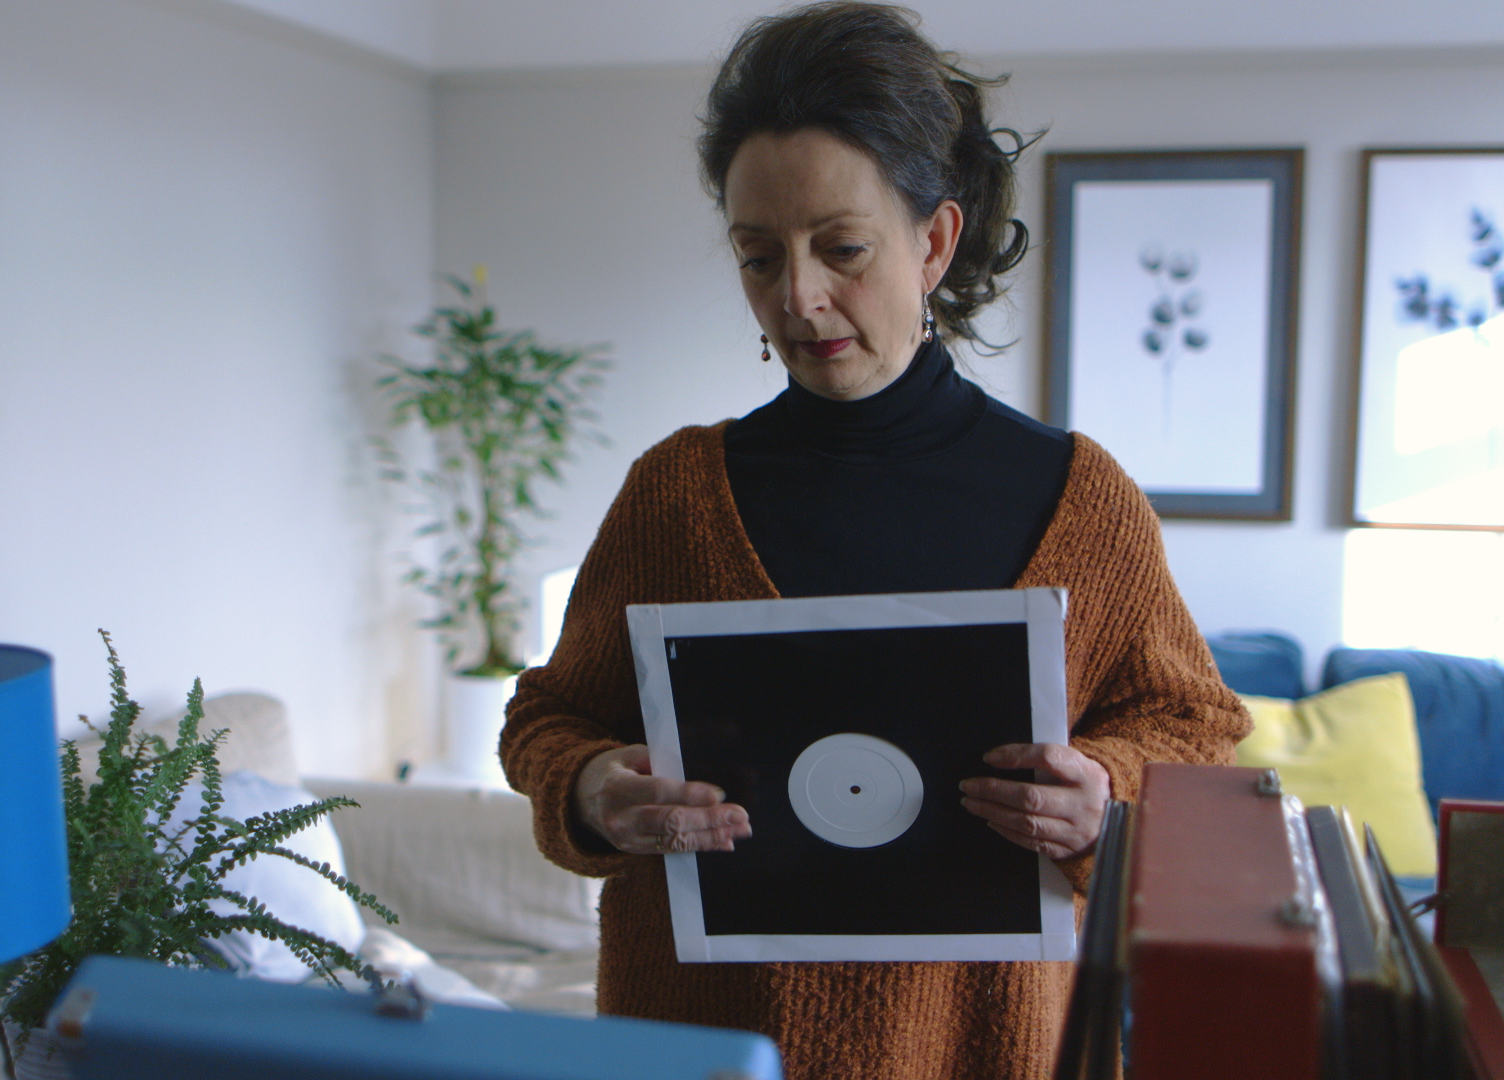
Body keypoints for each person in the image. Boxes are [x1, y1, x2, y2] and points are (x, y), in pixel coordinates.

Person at [499, 4, 1250, 1077]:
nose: (798, 299)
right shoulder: (676, 495)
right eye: (759, 257)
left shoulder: (1078, 501)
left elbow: (1197, 731)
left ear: (933, 242)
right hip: (700, 1045)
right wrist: (588, 788)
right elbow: (550, 715)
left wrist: (1105, 792)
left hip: (982, 1049)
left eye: (842, 249)